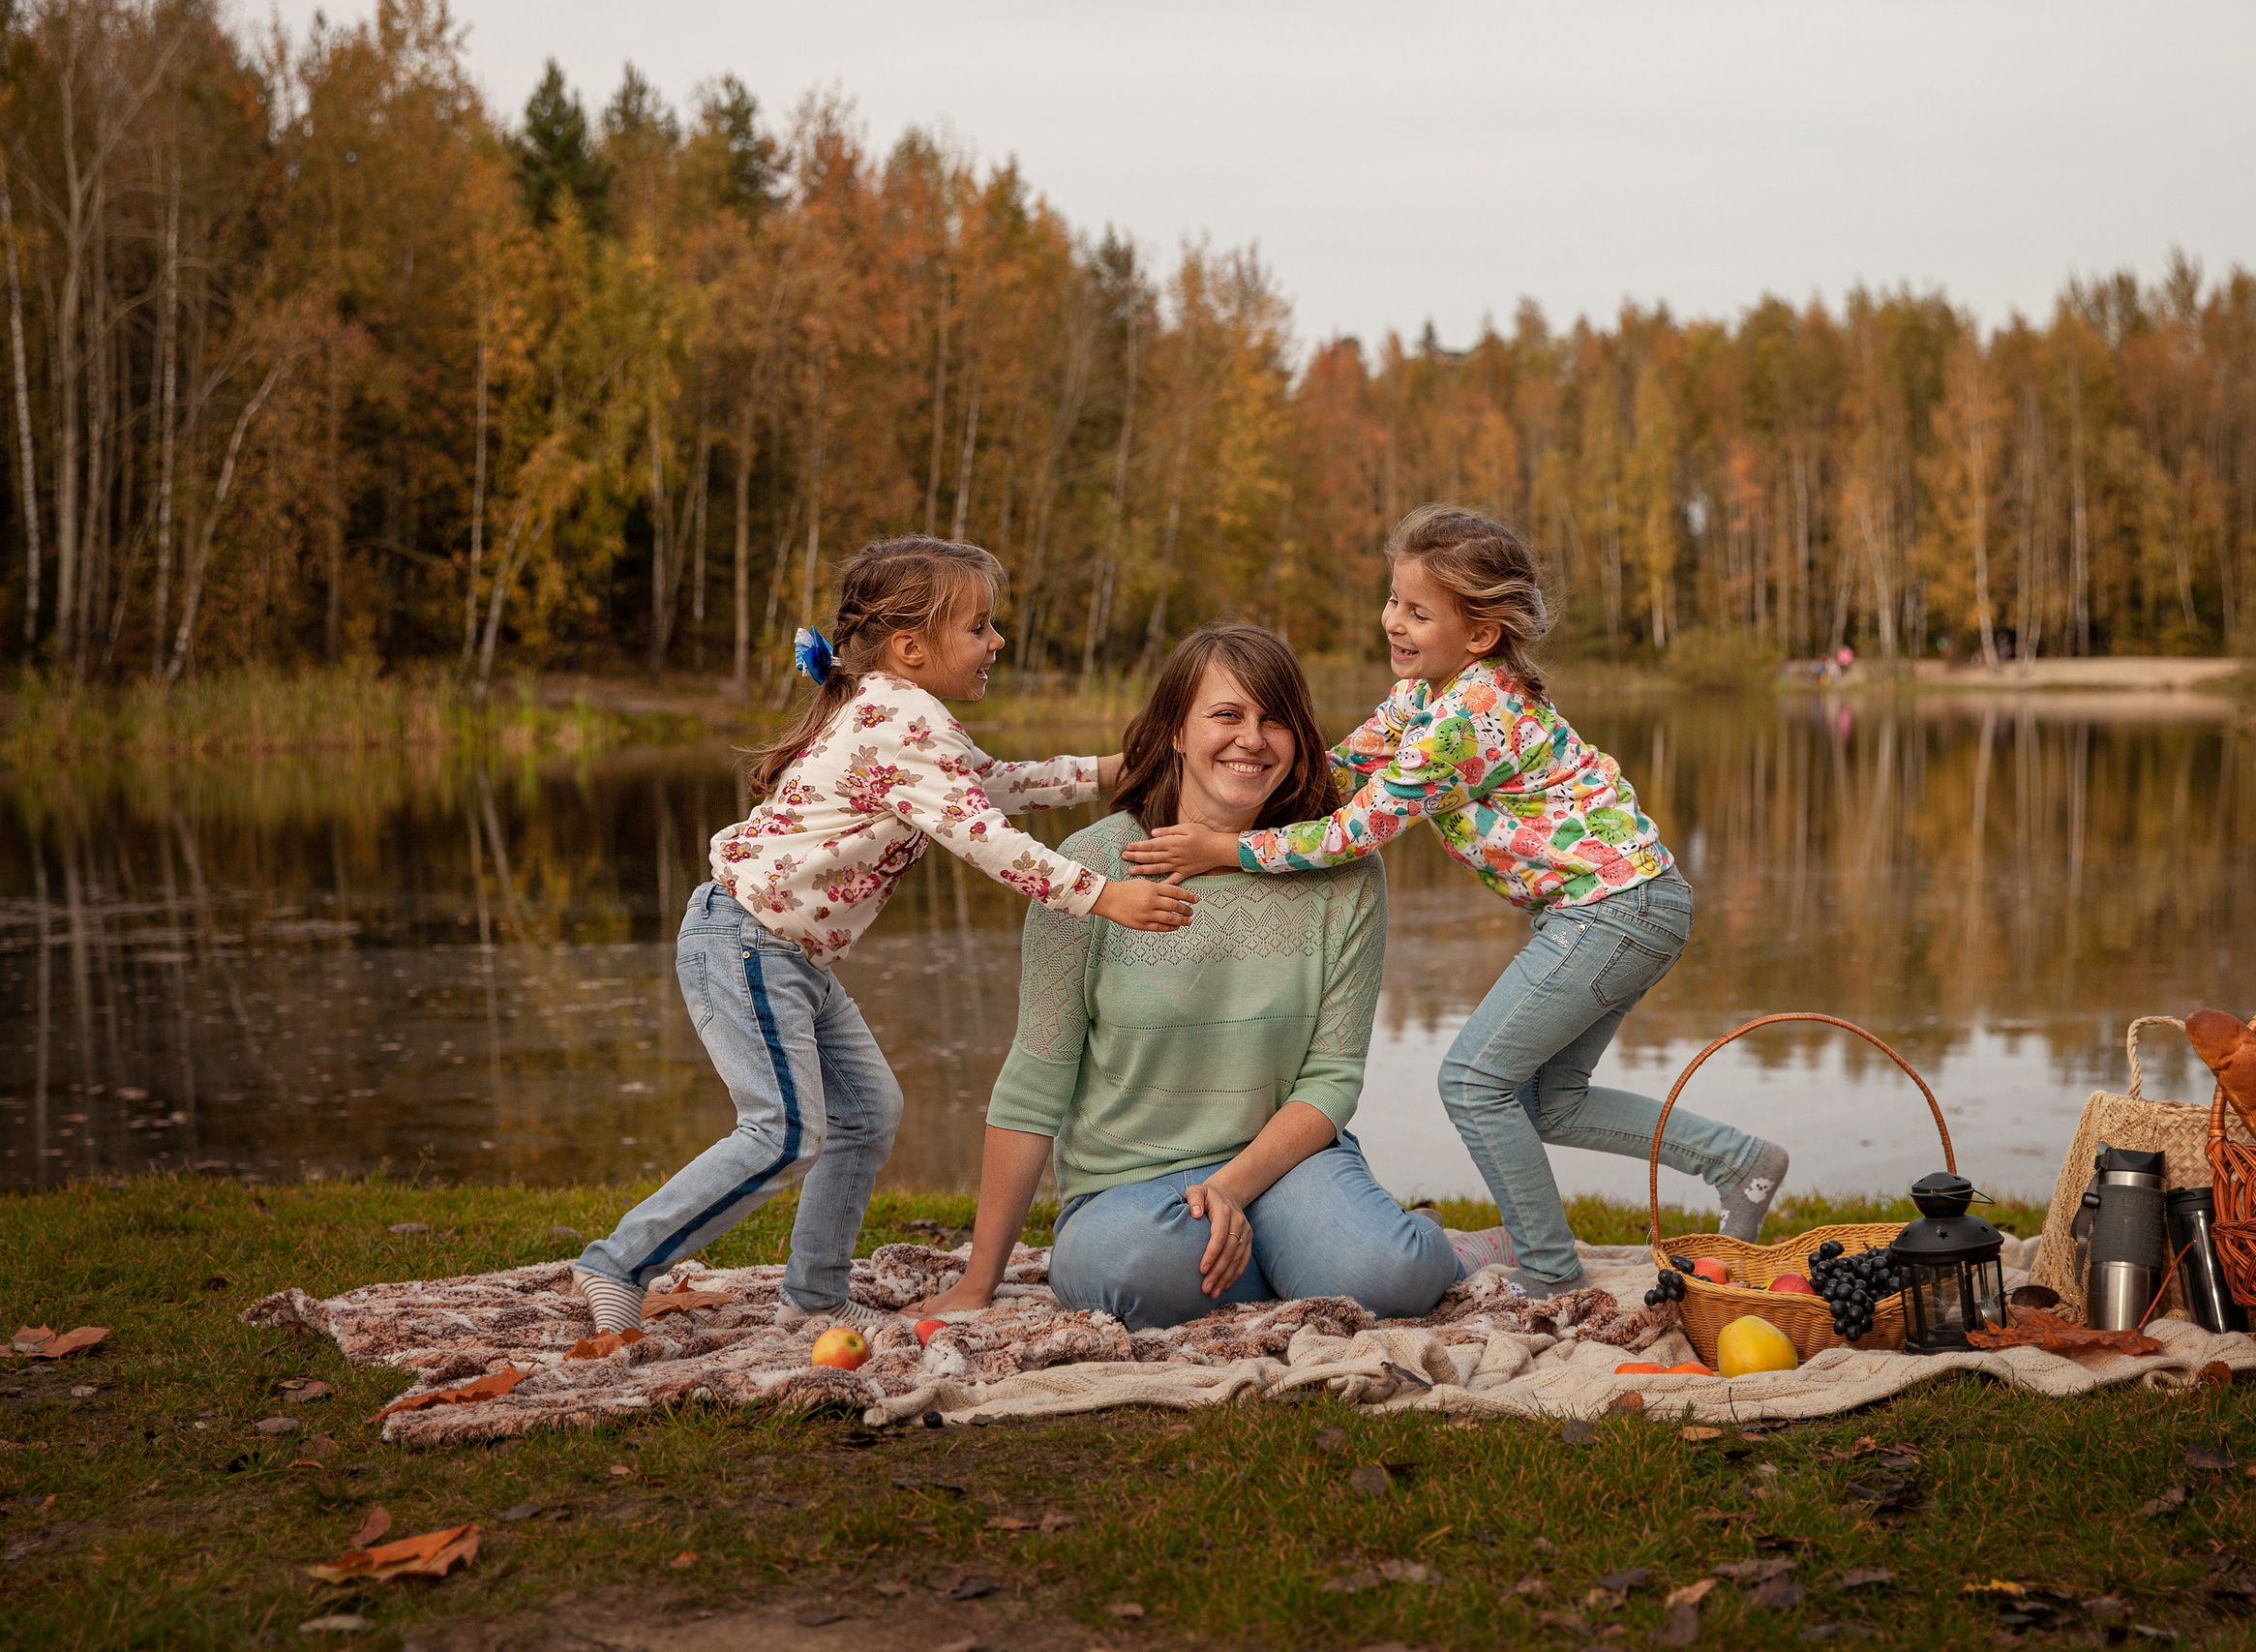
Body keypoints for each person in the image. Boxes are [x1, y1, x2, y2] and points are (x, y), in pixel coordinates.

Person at [1124, 505, 1790, 1297]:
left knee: (1473, 1080)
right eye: (1393, 600)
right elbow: (1336, 768)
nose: (1393, 622)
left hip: (1614, 909)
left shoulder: (1464, 719)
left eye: (1417, 610)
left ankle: (1550, 1270)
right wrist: (1211, 765)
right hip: (1623, 905)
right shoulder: (1424, 698)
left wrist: (1222, 847)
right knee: (1549, 1100)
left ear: (1479, 634)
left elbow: (1354, 830)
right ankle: (1739, 1163)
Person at [569, 536, 1197, 1337]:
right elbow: (983, 833)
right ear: (911, 647)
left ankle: (815, 1295)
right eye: (980, 628)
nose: (996, 642)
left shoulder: (900, 711)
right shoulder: (900, 719)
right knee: (786, 1130)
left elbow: (992, 784)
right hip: (749, 942)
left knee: (868, 1111)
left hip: (787, 951)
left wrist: (1109, 769)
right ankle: (619, 1262)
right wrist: (1102, 894)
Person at [916, 625, 1464, 1332]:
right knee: (1125, 1273)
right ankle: (1305, 1265)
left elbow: (1332, 1077)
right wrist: (977, 1282)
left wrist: (1230, 1189)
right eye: (1227, 714)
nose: (1253, 739)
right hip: (1129, 1191)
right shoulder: (1092, 867)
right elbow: (1035, 1080)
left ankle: (1431, 1246)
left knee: (1388, 1275)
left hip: (1285, 1168)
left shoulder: (1344, 871)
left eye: (1276, 720)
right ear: (1176, 730)